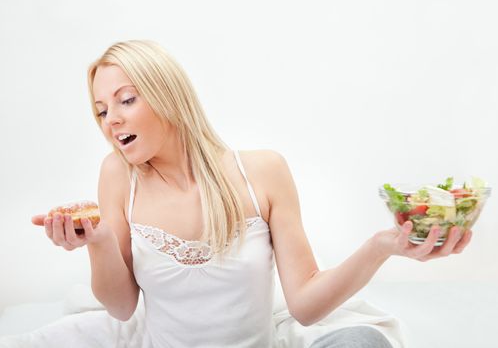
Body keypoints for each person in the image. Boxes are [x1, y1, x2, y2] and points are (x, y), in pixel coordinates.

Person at [31, 40, 472, 348]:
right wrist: (100, 242)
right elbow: (122, 307)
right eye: (102, 110)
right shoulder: (117, 175)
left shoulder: (262, 171)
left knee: (363, 342)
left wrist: (383, 246)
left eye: (126, 100)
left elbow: (305, 305)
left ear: (168, 94)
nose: (111, 120)